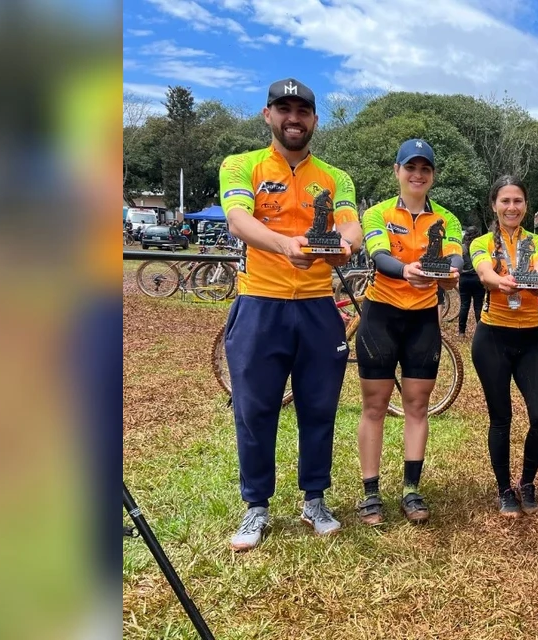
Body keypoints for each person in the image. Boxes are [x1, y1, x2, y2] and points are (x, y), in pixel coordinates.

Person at [217, 78, 362, 551]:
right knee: (254, 410)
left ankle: (314, 499)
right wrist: (285, 246)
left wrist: (343, 249)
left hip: (319, 307)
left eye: (303, 110)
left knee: (319, 408)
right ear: (267, 115)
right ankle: (255, 507)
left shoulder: (336, 177)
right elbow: (239, 219)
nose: (293, 117)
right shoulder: (242, 165)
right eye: (284, 108)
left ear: (315, 119)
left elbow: (351, 228)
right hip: (260, 303)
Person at [355, 138, 462, 526]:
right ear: (396, 171)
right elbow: (379, 256)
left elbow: (454, 258)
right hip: (381, 315)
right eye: (410, 167)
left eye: (425, 169)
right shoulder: (378, 214)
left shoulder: (447, 218)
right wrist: (408, 271)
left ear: (432, 175)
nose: (417, 175)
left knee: (417, 406)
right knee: (374, 406)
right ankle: (370, 493)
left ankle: (411, 489)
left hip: (422, 320)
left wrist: (448, 276)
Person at [469, 175, 538, 517]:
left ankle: (527, 481)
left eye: (517, 201)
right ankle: (504, 489)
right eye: (505, 201)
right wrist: (500, 282)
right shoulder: (481, 242)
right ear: (494, 205)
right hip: (492, 339)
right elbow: (485, 273)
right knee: (501, 417)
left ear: (525, 205)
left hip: (529, 338)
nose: (511, 207)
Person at [457, 234, 485, 336]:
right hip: (477, 278)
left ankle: (461, 331)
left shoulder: (462, 248)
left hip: (464, 279)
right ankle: (480, 331)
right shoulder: (479, 247)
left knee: (464, 305)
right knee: (478, 306)